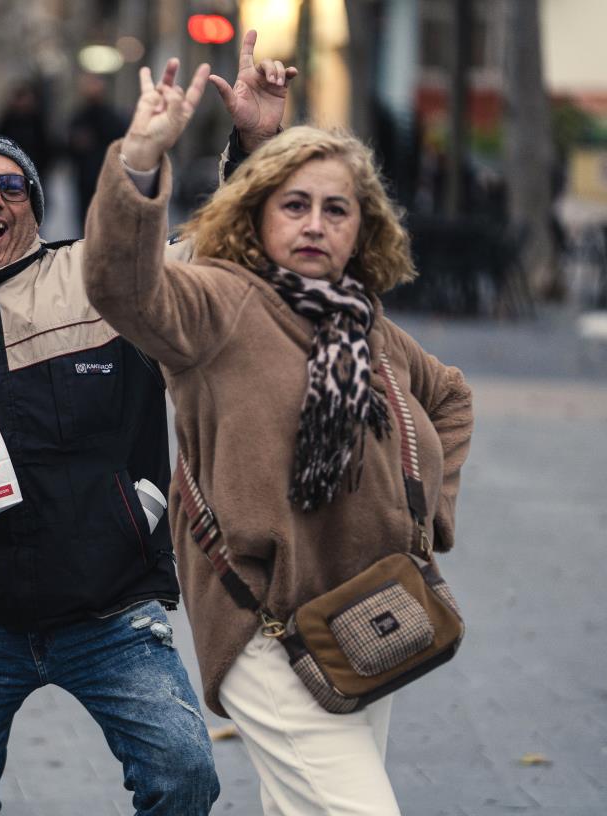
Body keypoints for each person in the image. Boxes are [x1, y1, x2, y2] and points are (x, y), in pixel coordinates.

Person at [0, 32, 297, 816]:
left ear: (36, 208)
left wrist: (257, 147)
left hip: (107, 606)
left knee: (185, 777)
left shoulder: (103, 281)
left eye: (12, 187)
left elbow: (226, 258)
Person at [82, 58, 474, 815]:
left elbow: (451, 398)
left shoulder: (364, 323)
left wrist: (427, 515)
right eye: (294, 205)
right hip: (262, 627)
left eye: (336, 209)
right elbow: (122, 286)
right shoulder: (219, 305)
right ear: (258, 217)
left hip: (367, 616)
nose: (315, 224)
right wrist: (140, 160)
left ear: (363, 229)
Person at [66, 73, 127, 230]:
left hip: (106, 175)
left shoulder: (112, 117)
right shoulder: (79, 117)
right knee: (85, 220)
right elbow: (68, 147)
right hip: (84, 177)